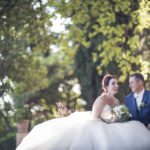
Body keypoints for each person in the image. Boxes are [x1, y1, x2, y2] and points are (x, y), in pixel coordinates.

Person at [16, 74, 150, 150]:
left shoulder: (116, 101)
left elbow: (115, 114)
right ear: (107, 86)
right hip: (98, 124)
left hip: (113, 124)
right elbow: (95, 116)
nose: (116, 86)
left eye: (117, 84)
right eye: (113, 84)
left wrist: (118, 118)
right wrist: (110, 121)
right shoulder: (101, 99)